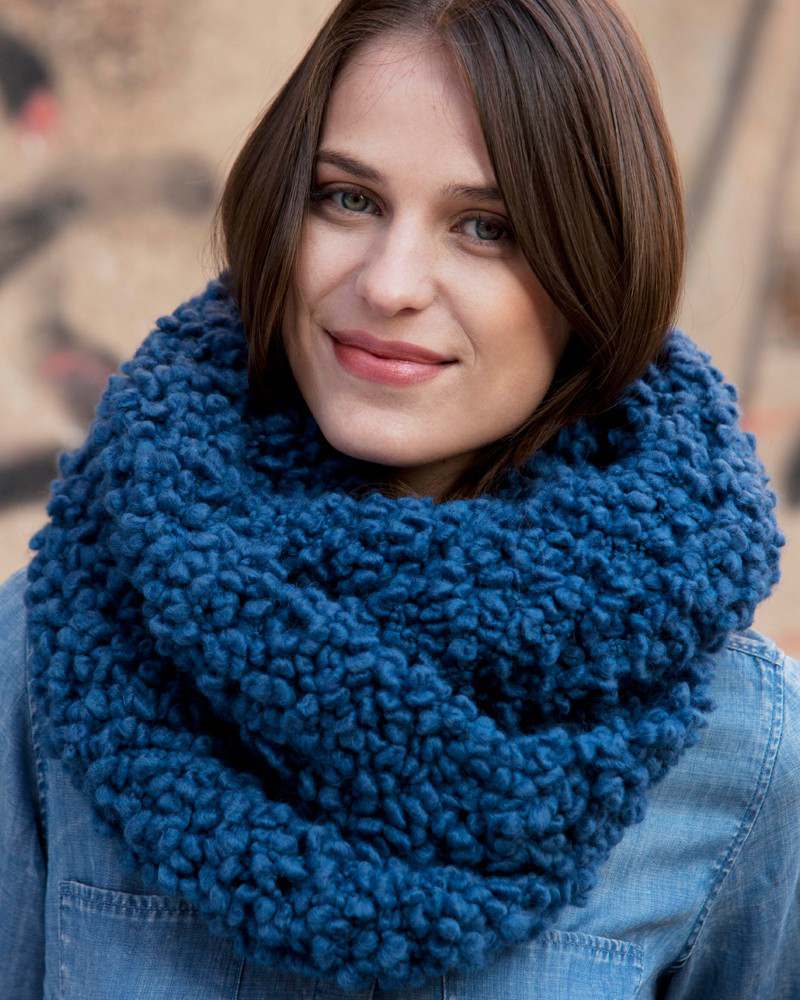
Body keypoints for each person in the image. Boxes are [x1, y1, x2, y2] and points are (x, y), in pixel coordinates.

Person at [2, 1, 798, 998]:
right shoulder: (60, 646)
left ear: (595, 269)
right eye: (348, 199)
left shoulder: (740, 751)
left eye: (485, 227)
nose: (389, 284)